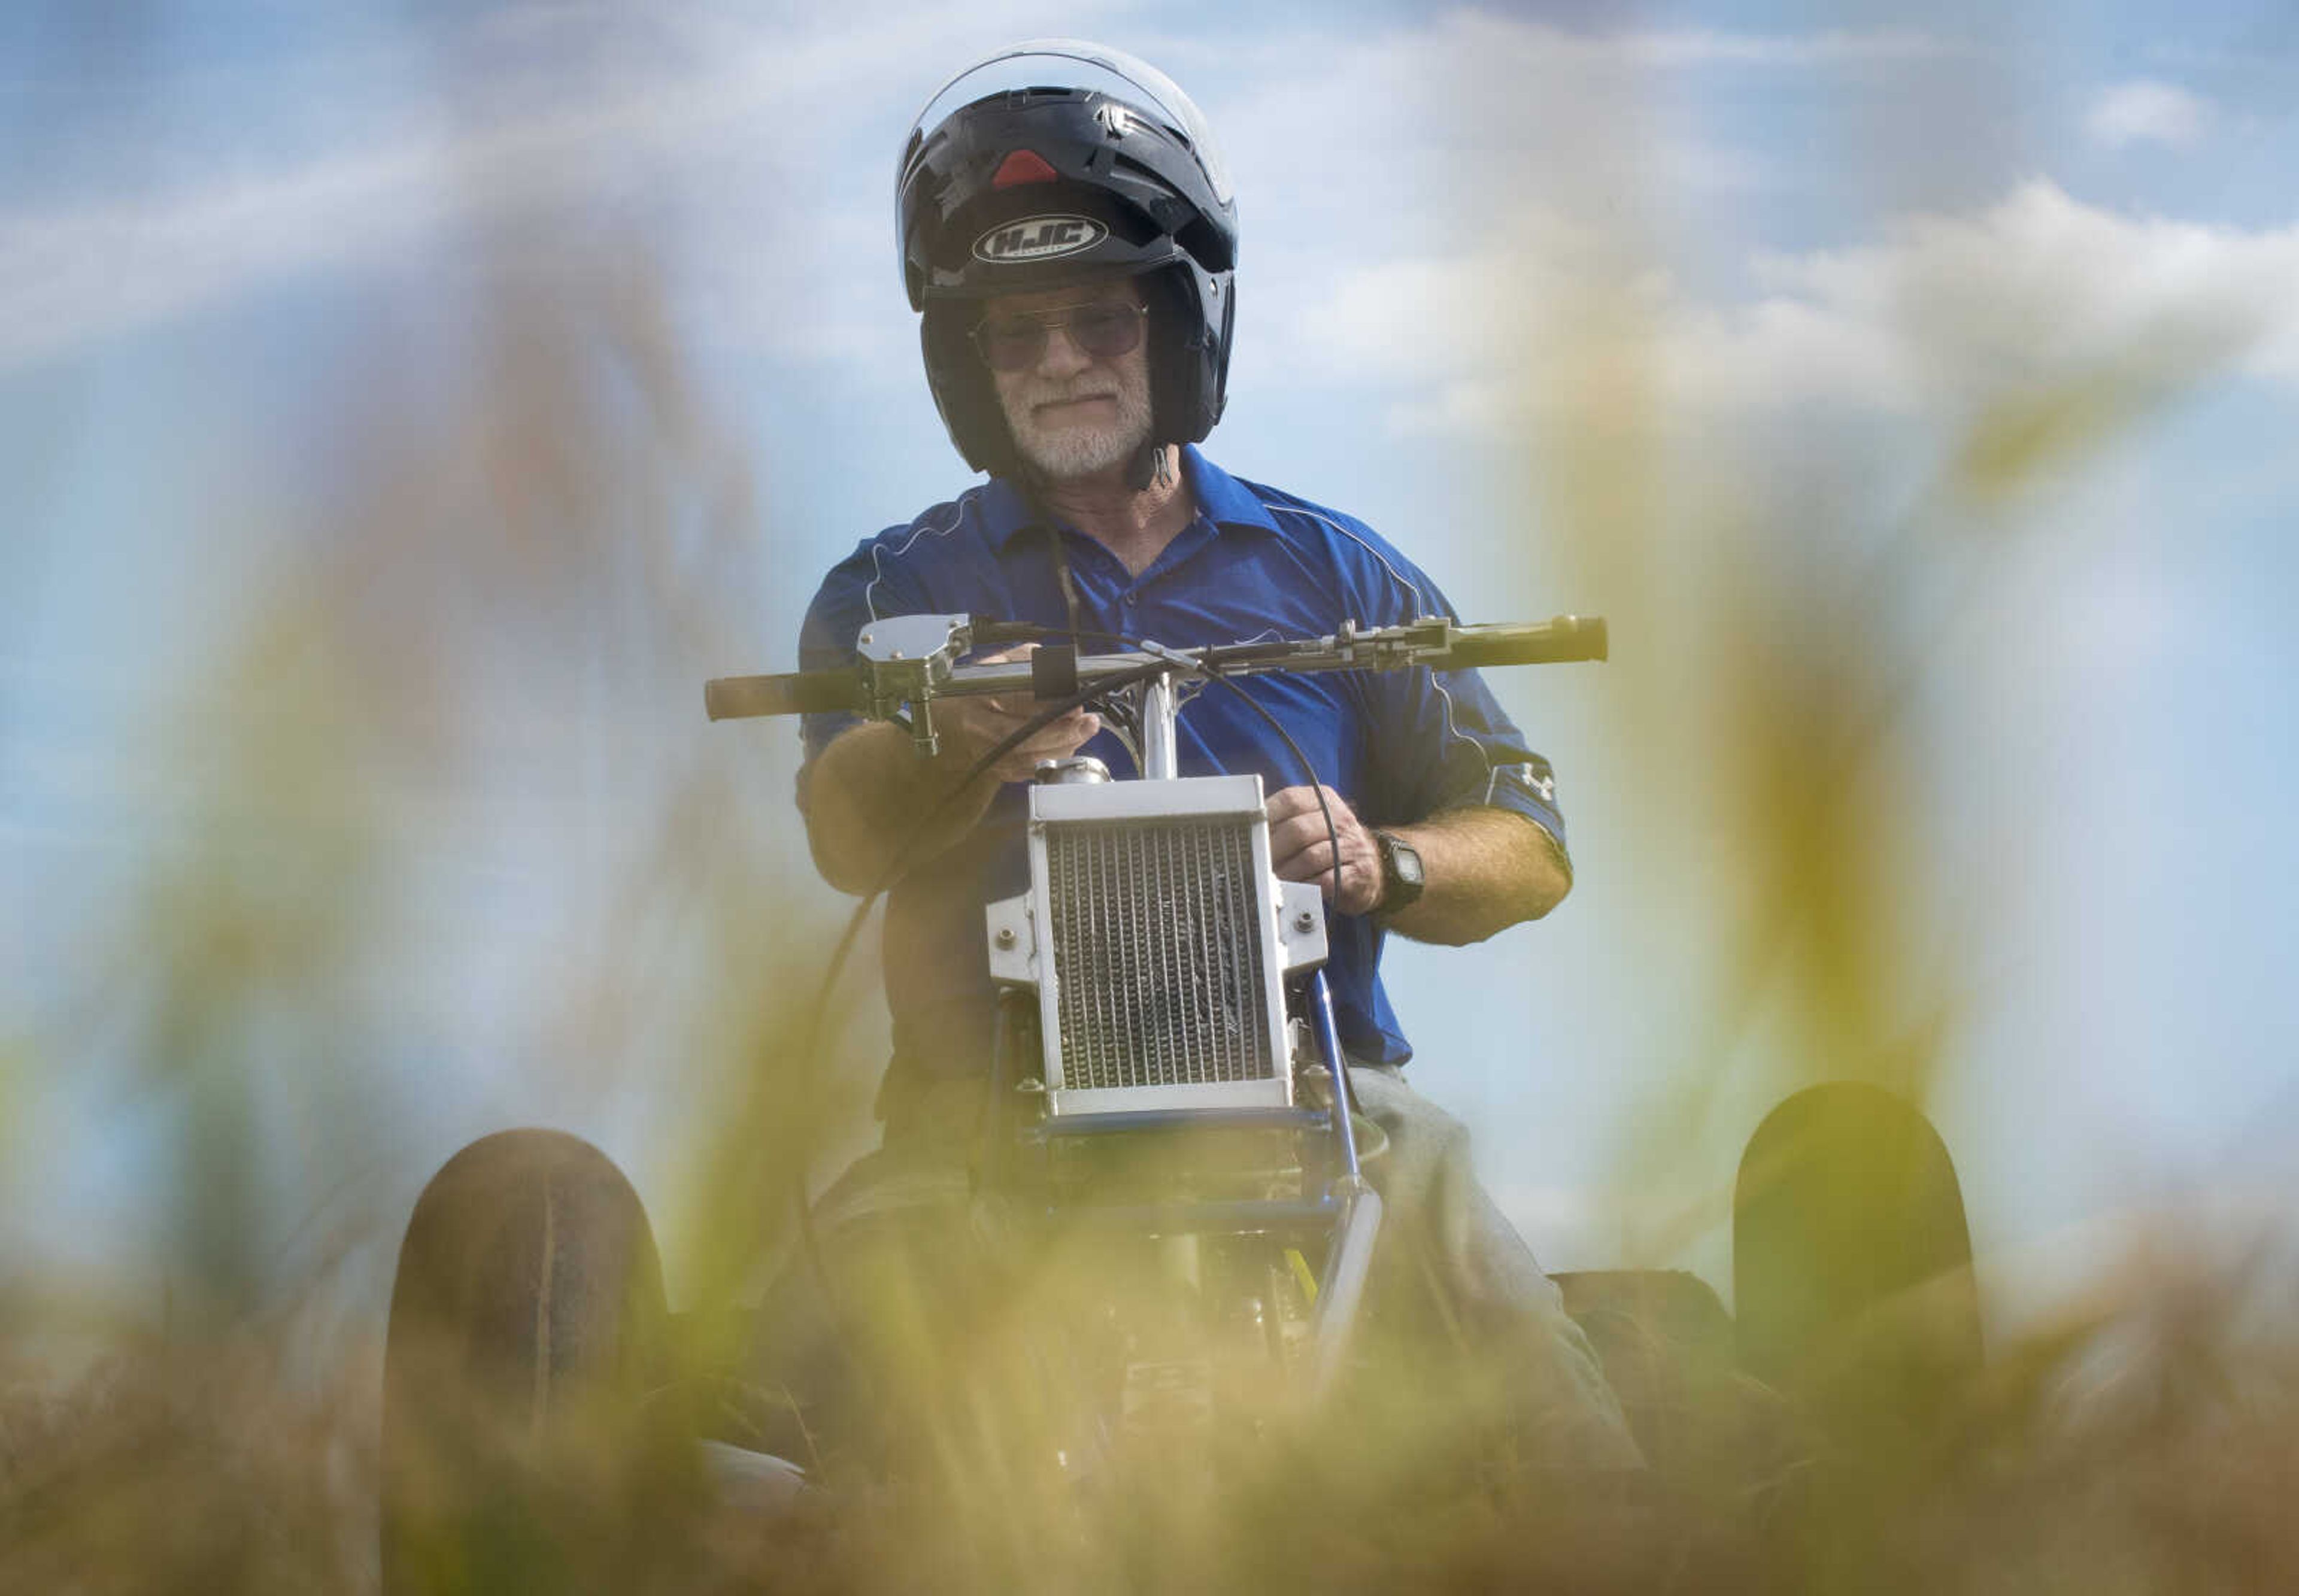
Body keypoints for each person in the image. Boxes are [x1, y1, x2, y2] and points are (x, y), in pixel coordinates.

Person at [785, 40, 1637, 1475]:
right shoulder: (888, 593)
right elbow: (839, 824)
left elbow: (1530, 833)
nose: (1060, 361)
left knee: (1537, 1398)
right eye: (1016, 332)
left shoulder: (1336, 578)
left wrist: (1391, 859)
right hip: (967, 1136)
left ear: (1177, 326)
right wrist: (949, 735)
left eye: (1100, 321)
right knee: (812, 1385)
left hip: (1326, 1114)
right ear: (967, 363)